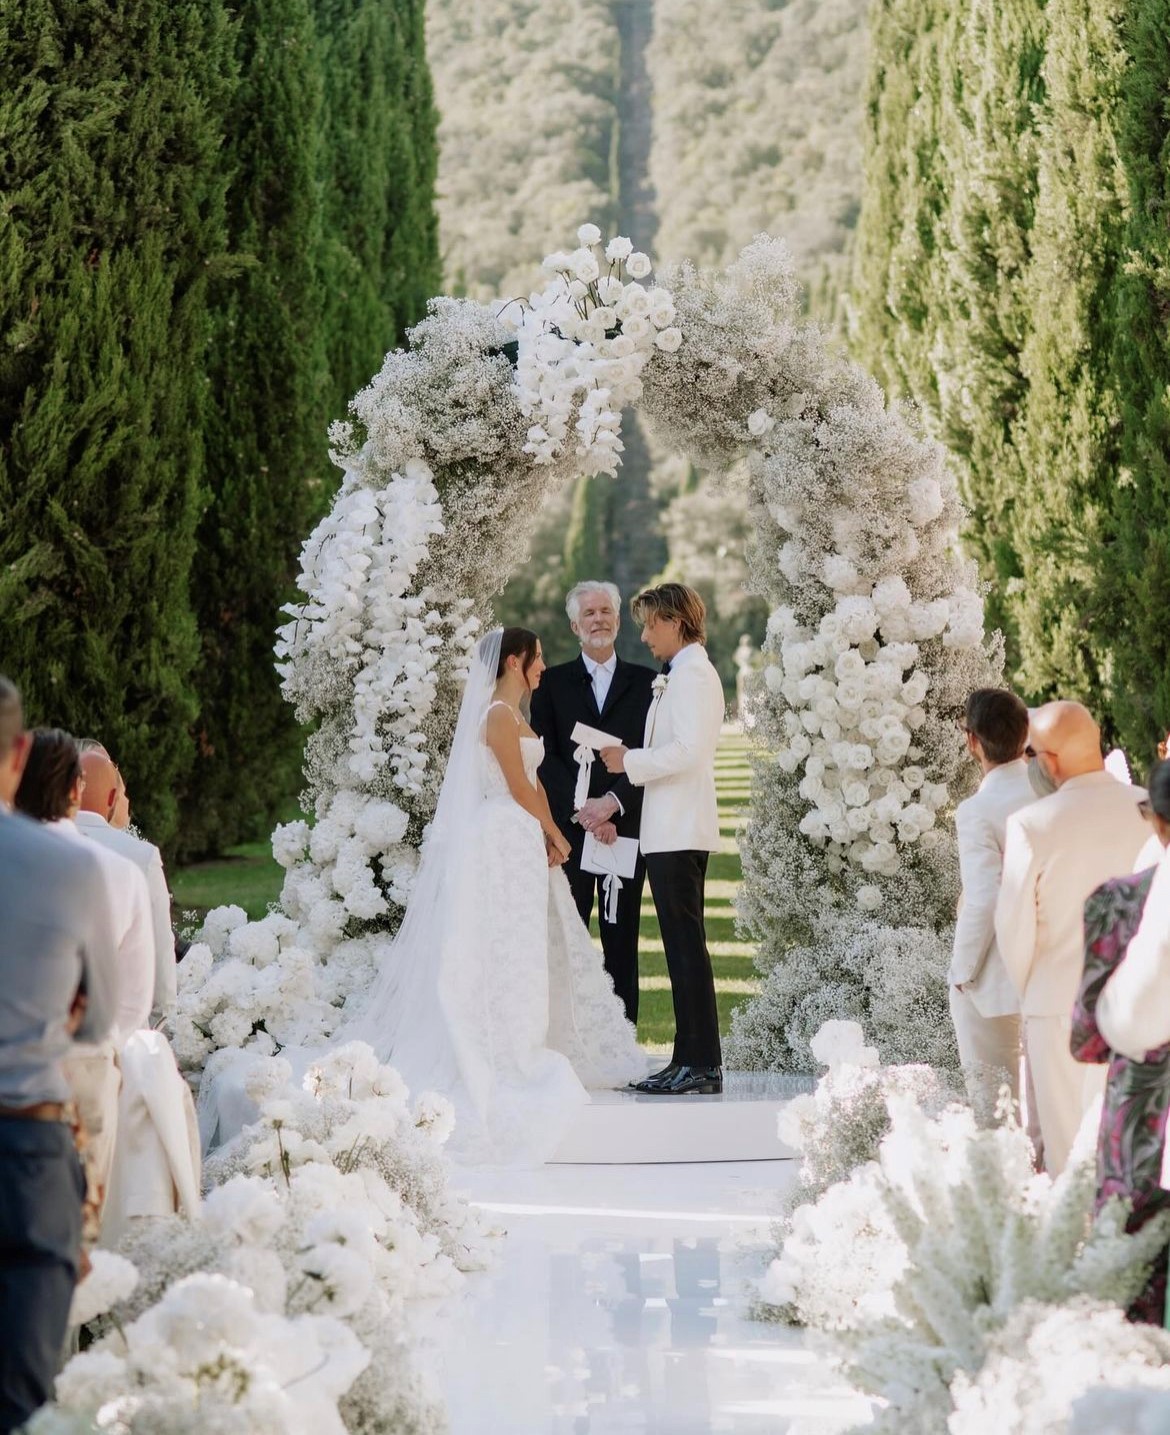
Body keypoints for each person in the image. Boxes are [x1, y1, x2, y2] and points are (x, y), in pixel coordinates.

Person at [352, 628, 644, 1164]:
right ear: (515, 661)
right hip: (499, 838)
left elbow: (533, 787)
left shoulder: (516, 716)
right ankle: (503, 1045)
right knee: (503, 942)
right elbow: (513, 783)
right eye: (537, 660)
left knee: (526, 942)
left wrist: (549, 831)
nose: (542, 669)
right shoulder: (495, 716)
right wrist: (554, 834)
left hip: (520, 835)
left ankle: (528, 1032)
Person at [0, 680, 118, 1432]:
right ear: (17, 752)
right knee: (22, 1399)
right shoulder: (70, 867)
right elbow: (98, 1016)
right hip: (26, 1148)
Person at [995, 700, 1149, 1174]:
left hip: (1057, 1007)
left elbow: (1013, 929)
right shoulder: (1145, 805)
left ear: (1051, 760)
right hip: (1140, 1005)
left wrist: (1033, 991)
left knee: (1070, 1158)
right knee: (1129, 1150)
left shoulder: (1031, 824)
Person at [15, 730, 156, 1227]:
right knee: (77, 1218)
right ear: (77, 792)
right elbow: (136, 996)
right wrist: (98, 1048)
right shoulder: (119, 871)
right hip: (86, 1064)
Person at [600, 583, 726, 1096]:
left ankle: (700, 1064)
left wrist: (629, 760)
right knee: (679, 949)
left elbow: (690, 752)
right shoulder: (679, 674)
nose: (646, 635)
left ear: (676, 621)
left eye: (652, 624)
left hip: (679, 830)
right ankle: (688, 1058)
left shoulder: (694, 674)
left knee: (685, 949)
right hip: (667, 830)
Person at [1070, 759, 1170, 1323]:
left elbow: (1086, 1036)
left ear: (1155, 820)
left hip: (1142, 1112)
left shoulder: (1118, 902)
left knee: (1132, 1271)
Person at [530, 581, 656, 1024]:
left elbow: (650, 753)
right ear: (574, 625)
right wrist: (587, 812)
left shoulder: (648, 685)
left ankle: (624, 1042)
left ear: (618, 621)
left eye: (606, 611)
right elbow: (545, 758)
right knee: (569, 937)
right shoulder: (552, 683)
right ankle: (566, 1037)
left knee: (622, 939)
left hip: (625, 827)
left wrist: (613, 805)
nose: (598, 619)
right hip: (571, 832)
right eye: (589, 614)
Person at [949, 689, 1035, 1124]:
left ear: (972, 741)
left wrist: (962, 970)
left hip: (994, 979)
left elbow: (985, 897)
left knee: (994, 1111)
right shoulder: (1048, 792)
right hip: (1048, 975)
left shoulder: (977, 810)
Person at [76, 743, 176, 1018]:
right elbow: (160, 949)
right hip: (122, 1026)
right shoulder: (141, 856)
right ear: (111, 798)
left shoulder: (38, 846)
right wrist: (157, 1019)